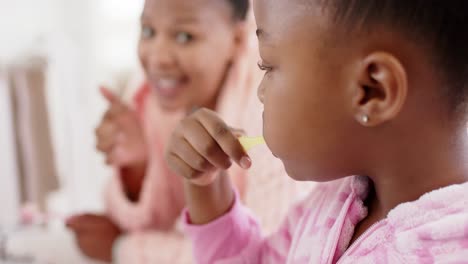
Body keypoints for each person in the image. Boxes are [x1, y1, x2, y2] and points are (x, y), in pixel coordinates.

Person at [166, 0, 468, 262]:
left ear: (371, 90)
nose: (260, 92)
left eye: (267, 66)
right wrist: (208, 188)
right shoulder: (333, 206)